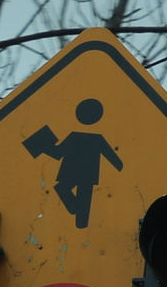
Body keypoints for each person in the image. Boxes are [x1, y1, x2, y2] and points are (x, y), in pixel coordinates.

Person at [23, 98, 122, 229]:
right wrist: (44, 146)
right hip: (76, 173)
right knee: (66, 190)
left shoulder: (86, 138)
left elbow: (58, 153)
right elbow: (59, 153)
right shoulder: (81, 137)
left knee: (82, 197)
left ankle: (80, 219)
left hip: (77, 173)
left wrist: (43, 146)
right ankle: (76, 209)